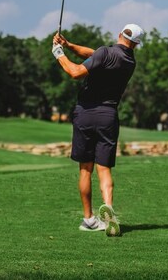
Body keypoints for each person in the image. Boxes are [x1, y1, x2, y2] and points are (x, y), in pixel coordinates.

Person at [52, 23, 144, 237]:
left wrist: (58, 53)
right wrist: (69, 44)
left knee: (85, 169)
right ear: (136, 44)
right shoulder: (129, 61)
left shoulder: (105, 53)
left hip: (85, 114)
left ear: (120, 33)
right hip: (108, 116)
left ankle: (89, 220)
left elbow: (75, 72)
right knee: (104, 169)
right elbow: (94, 54)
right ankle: (108, 209)